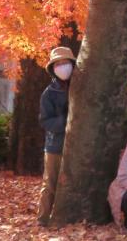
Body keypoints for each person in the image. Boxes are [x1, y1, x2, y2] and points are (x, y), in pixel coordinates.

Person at [37, 46, 75, 226]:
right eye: (58, 64)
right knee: (50, 184)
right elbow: (45, 121)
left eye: (65, 62)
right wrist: (66, 120)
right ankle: (42, 219)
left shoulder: (79, 87)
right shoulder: (49, 93)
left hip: (77, 145)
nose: (62, 66)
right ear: (53, 68)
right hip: (55, 145)